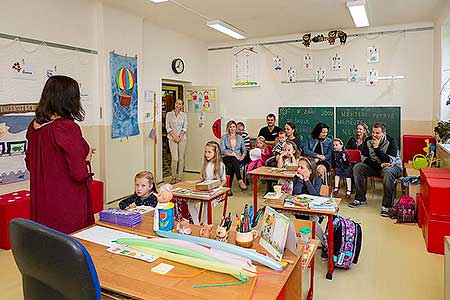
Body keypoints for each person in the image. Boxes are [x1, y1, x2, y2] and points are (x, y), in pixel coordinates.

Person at [25, 75, 95, 234]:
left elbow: (30, 163)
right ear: (69, 100)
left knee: (47, 244)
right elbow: (78, 173)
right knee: (71, 244)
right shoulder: (66, 127)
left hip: (42, 200)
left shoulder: (34, 126)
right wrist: (87, 159)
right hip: (66, 201)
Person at [349, 122, 403, 217]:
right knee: (357, 167)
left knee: (387, 172)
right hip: (378, 166)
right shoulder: (368, 141)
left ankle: (387, 206)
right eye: (373, 132)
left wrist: (377, 148)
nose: (374, 135)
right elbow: (364, 159)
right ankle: (360, 199)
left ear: (383, 133)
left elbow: (389, 161)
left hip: (393, 167)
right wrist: (380, 165)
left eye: (377, 133)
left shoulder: (392, 141)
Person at [221, 120, 247, 192]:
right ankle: (240, 179)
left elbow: (244, 150)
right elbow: (222, 150)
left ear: (236, 128)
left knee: (230, 166)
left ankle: (228, 188)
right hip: (226, 157)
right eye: (230, 127)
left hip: (237, 159)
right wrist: (232, 154)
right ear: (228, 128)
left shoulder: (240, 138)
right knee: (232, 159)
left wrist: (242, 156)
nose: (232, 129)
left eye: (234, 127)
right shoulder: (224, 137)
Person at [166, 99, 188, 184]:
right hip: (172, 138)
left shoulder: (184, 115)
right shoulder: (169, 114)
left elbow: (185, 127)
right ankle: (173, 177)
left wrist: (180, 137)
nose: (178, 105)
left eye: (180, 104)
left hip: (182, 138)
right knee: (175, 158)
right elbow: (168, 127)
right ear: (174, 104)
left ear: (182, 106)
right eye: (176, 103)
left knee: (181, 158)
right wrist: (175, 137)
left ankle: (179, 177)